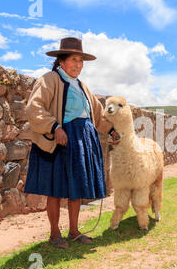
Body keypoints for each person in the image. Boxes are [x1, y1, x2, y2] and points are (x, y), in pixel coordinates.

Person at [24, 37, 121, 249]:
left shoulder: (82, 87)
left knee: (76, 187)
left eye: (81, 60)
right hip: (60, 141)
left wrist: (111, 130)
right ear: (61, 61)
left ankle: (74, 231)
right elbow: (34, 108)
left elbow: (97, 113)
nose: (78, 64)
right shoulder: (50, 80)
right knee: (55, 189)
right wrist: (54, 127)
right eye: (73, 59)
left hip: (82, 143)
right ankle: (54, 234)